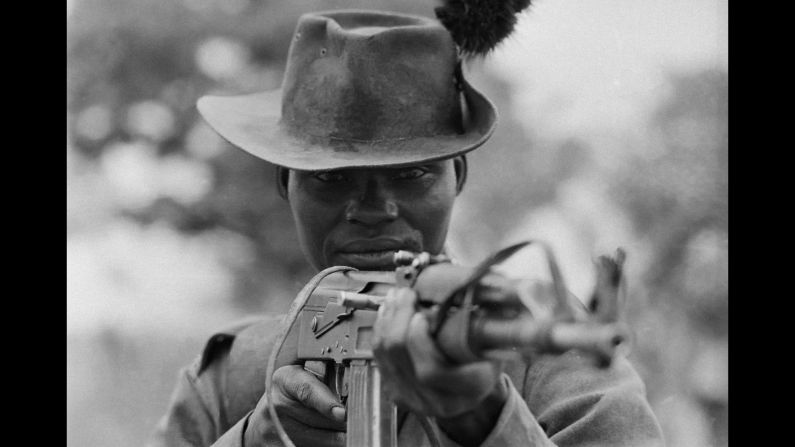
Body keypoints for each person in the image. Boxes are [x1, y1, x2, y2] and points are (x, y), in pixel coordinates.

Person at [150, 9, 664, 447]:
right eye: (331, 177)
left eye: (411, 174)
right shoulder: (230, 376)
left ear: (456, 178)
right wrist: (261, 435)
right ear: (286, 186)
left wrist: (487, 420)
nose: (374, 208)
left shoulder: (550, 355)